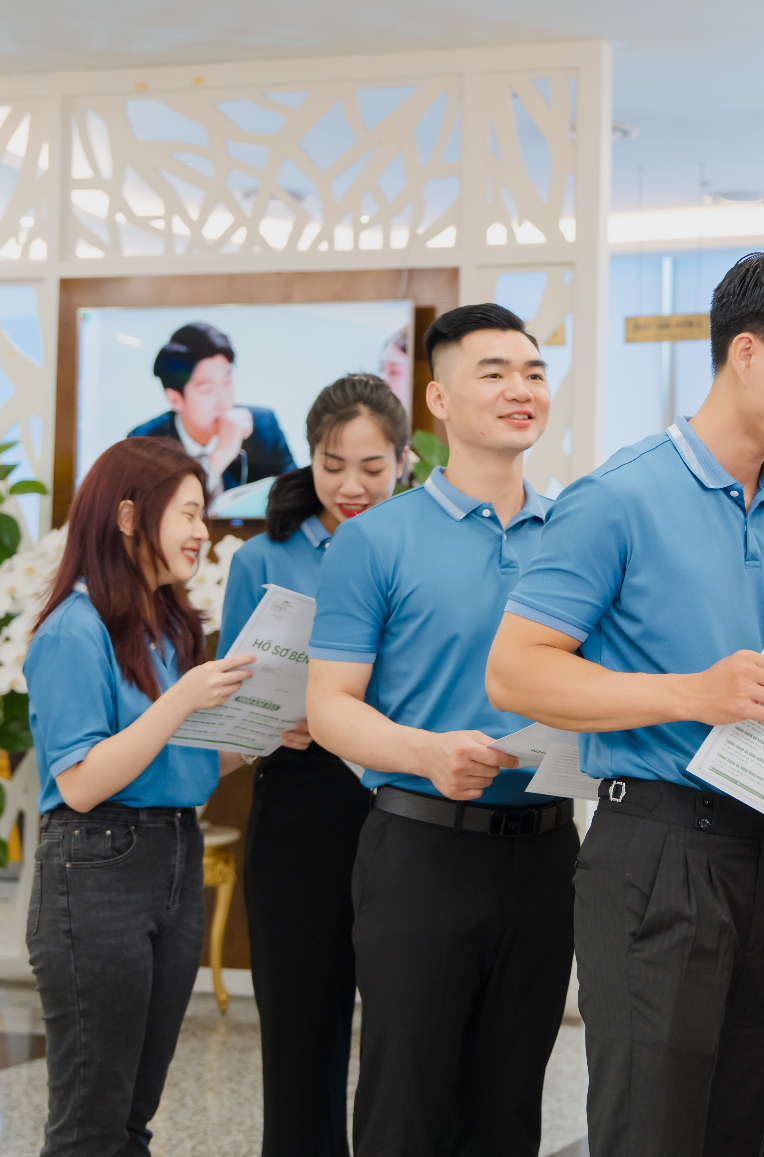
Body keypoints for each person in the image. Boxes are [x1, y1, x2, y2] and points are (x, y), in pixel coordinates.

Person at [486, 245, 764, 1157]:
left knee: (749, 1130)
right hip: (658, 853)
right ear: (747, 354)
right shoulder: (617, 498)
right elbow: (515, 672)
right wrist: (692, 693)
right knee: (653, 1132)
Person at [304, 304, 570, 1157]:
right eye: (492, 371)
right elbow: (329, 705)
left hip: (549, 853)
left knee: (509, 1107)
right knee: (404, 1103)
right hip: (421, 850)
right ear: (439, 400)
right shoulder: (375, 539)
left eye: (532, 371)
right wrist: (427, 752)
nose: (519, 388)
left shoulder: (579, 534)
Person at [23, 437, 258, 1157]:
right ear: (129, 516)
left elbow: (174, 767)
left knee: (131, 1118)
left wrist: (263, 735)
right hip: (96, 868)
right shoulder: (72, 628)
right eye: (189, 513)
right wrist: (185, 697)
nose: (201, 531)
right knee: (90, 1123)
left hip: (172, 856)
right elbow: (85, 780)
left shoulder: (164, 625)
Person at [221, 373, 408, 1157]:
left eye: (372, 466)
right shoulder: (260, 560)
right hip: (300, 805)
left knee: (408, 1043)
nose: (352, 484)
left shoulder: (420, 547)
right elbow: (232, 701)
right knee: (300, 1042)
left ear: (404, 459)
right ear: (309, 458)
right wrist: (271, 721)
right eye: (334, 464)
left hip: (403, 803)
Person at [129, 322, 296, 496]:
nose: (224, 401)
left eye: (227, 382)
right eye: (207, 390)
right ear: (175, 399)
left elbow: (297, 494)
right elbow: (153, 511)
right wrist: (220, 456)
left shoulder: (263, 426)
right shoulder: (145, 443)